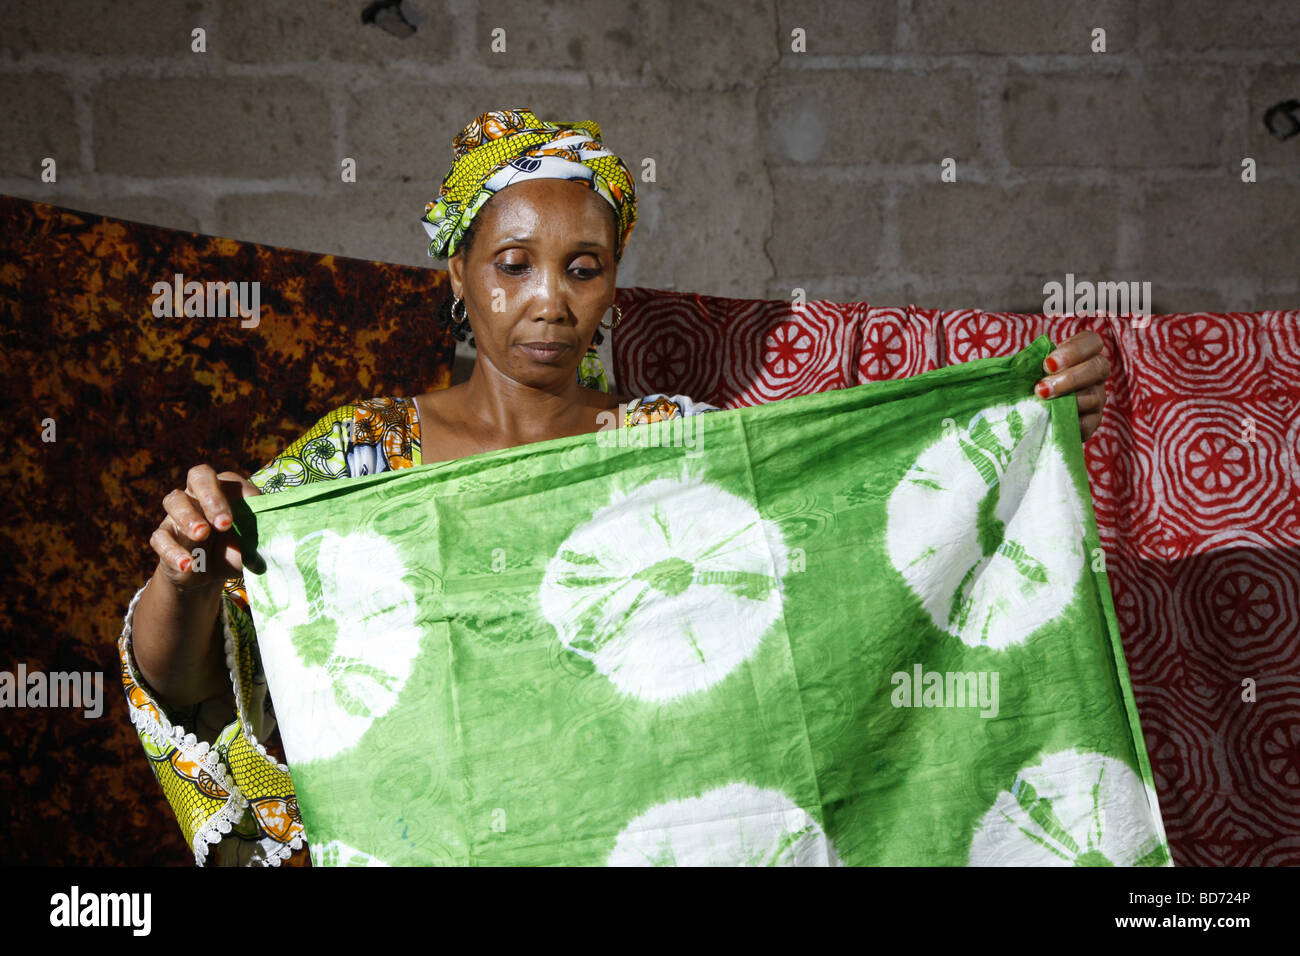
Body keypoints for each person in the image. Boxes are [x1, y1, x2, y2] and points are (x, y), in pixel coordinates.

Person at [118, 107, 1112, 867]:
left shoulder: (679, 448)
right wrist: (186, 575)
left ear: (612, 283)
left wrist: (1014, 432)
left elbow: (840, 585)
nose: (550, 297)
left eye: (583, 266)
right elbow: (194, 692)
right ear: (456, 274)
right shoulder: (353, 464)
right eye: (513, 263)